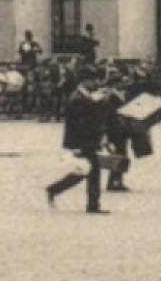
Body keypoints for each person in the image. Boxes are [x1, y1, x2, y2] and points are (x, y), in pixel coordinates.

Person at [46, 72, 112, 213]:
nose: (95, 84)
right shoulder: (77, 99)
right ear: (84, 82)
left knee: (87, 171)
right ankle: (91, 204)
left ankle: (56, 190)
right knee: (89, 171)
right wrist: (98, 103)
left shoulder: (80, 96)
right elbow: (83, 122)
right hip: (82, 141)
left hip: (84, 141)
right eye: (92, 81)